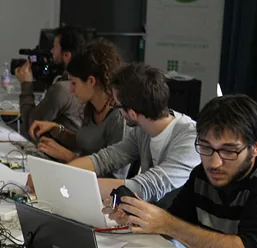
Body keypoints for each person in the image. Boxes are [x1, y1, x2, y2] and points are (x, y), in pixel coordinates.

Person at [107, 95, 257, 248]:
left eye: (229, 151)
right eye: (206, 147)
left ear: (255, 147)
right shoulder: (202, 176)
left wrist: (167, 224)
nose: (215, 163)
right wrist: (139, 216)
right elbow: (176, 223)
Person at [67, 63, 199, 202]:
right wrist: (63, 174)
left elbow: (145, 187)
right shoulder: (142, 130)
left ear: (132, 114)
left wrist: (80, 185)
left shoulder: (190, 140)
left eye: (116, 105)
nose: (115, 109)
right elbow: (105, 159)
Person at [28, 39, 128, 177]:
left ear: (91, 81)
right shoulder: (92, 107)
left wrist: (68, 156)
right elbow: (87, 143)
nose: (71, 90)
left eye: (74, 83)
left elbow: (114, 179)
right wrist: (58, 130)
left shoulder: (119, 119)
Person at [17, 26, 85, 139]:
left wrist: (26, 83)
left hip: (56, 149)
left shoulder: (62, 89)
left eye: (55, 47)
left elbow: (31, 125)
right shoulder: (83, 83)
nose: (52, 52)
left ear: (66, 55)